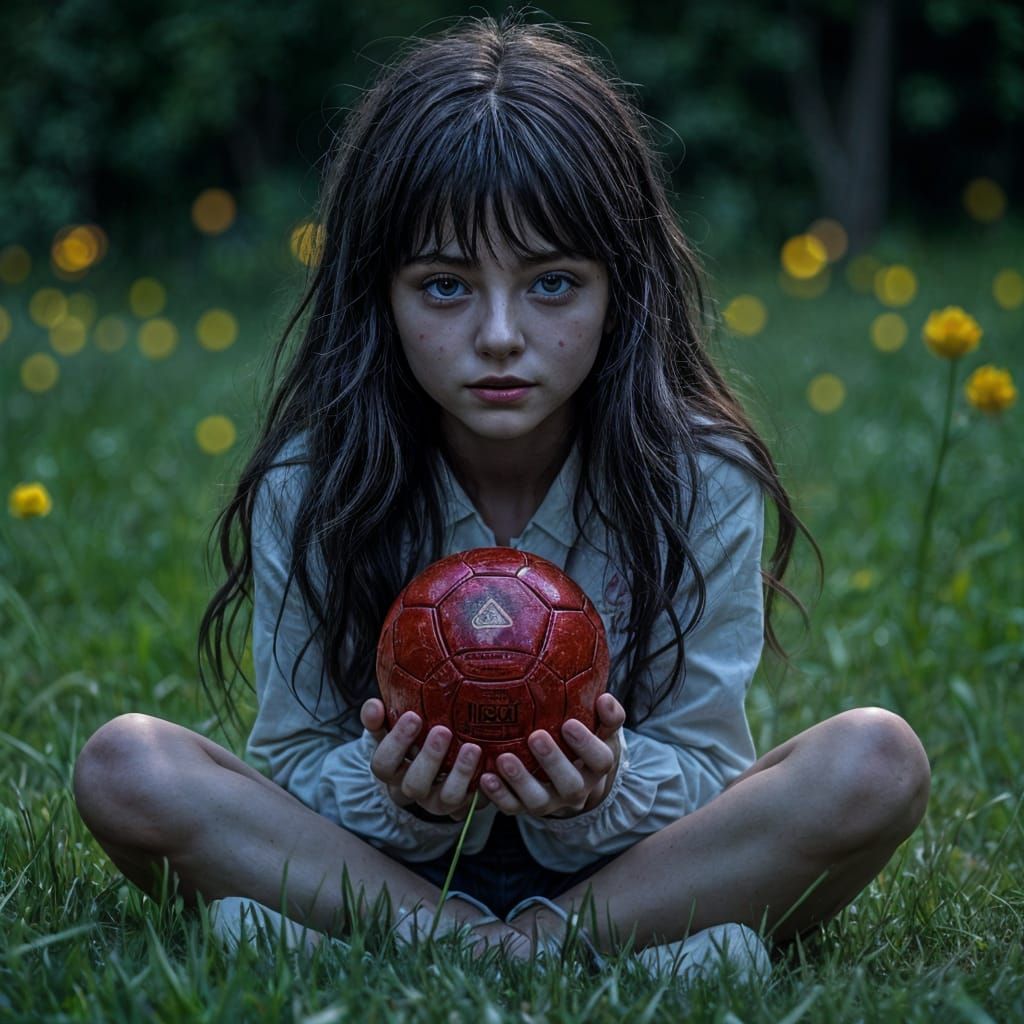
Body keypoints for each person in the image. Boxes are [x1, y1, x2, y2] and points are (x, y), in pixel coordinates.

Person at [72, 14, 930, 980]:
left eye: (553, 283)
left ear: (624, 289)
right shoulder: (313, 481)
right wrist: (400, 795)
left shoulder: (701, 472)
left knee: (877, 762)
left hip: (632, 866)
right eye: (443, 287)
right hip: (376, 863)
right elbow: (296, 764)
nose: (499, 334)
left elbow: (707, 771)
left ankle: (502, 943)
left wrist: (599, 792)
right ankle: (572, 951)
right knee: (125, 767)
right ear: (377, 294)